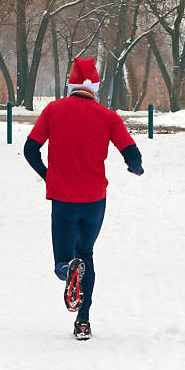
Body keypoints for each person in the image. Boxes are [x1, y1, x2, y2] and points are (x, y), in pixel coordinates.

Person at [24, 57, 144, 340]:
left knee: (62, 260)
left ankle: (66, 268)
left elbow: (30, 149)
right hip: (94, 201)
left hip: (63, 199)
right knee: (87, 254)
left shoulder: (53, 111)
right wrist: (135, 167)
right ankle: (83, 321)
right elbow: (132, 153)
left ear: (72, 85)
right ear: (94, 88)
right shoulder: (108, 116)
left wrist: (48, 175)